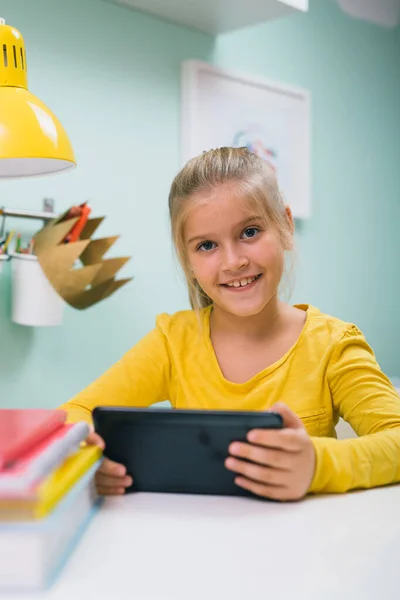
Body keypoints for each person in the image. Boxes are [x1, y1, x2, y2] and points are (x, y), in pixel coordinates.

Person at [59, 147, 400, 501]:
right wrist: (87, 460)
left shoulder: (334, 345)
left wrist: (317, 464)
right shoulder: (172, 342)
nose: (233, 261)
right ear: (186, 259)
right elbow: (73, 413)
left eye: (250, 232)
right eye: (207, 245)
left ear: (284, 225)